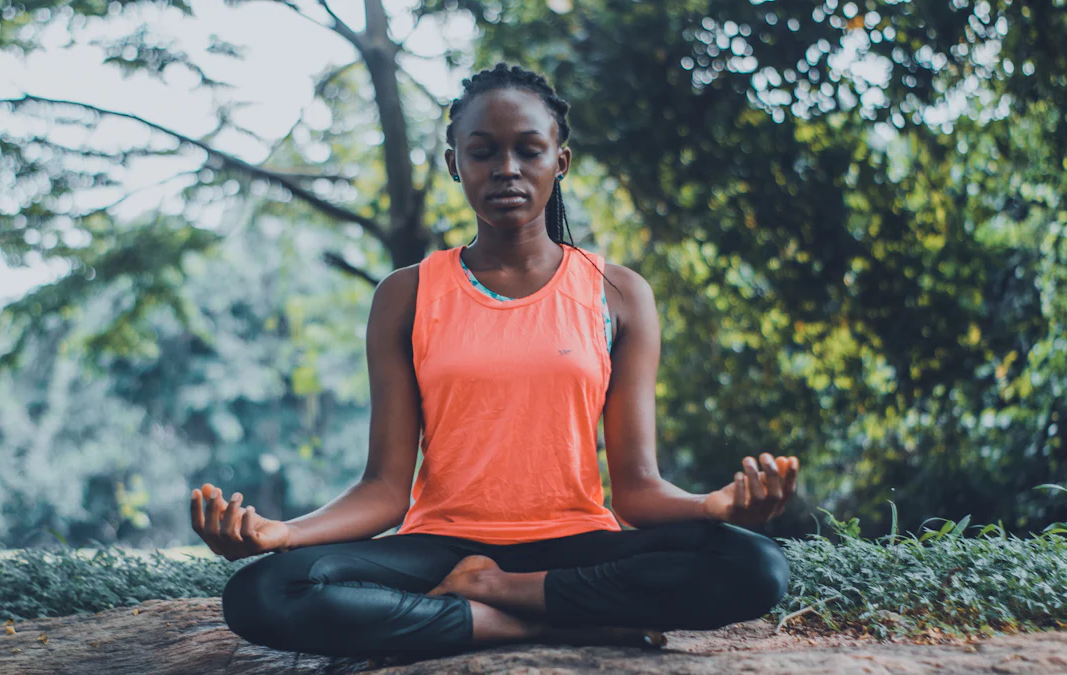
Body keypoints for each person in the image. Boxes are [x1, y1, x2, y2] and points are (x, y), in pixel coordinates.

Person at [190, 63, 799, 659]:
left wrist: (714, 506)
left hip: (575, 544)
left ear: (559, 161)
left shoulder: (617, 294)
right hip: (439, 548)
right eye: (483, 151)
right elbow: (382, 489)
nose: (506, 168)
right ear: (455, 162)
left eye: (528, 150)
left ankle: (496, 594)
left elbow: (636, 492)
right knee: (266, 591)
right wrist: (282, 533)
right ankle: (537, 626)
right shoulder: (407, 294)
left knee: (754, 565)